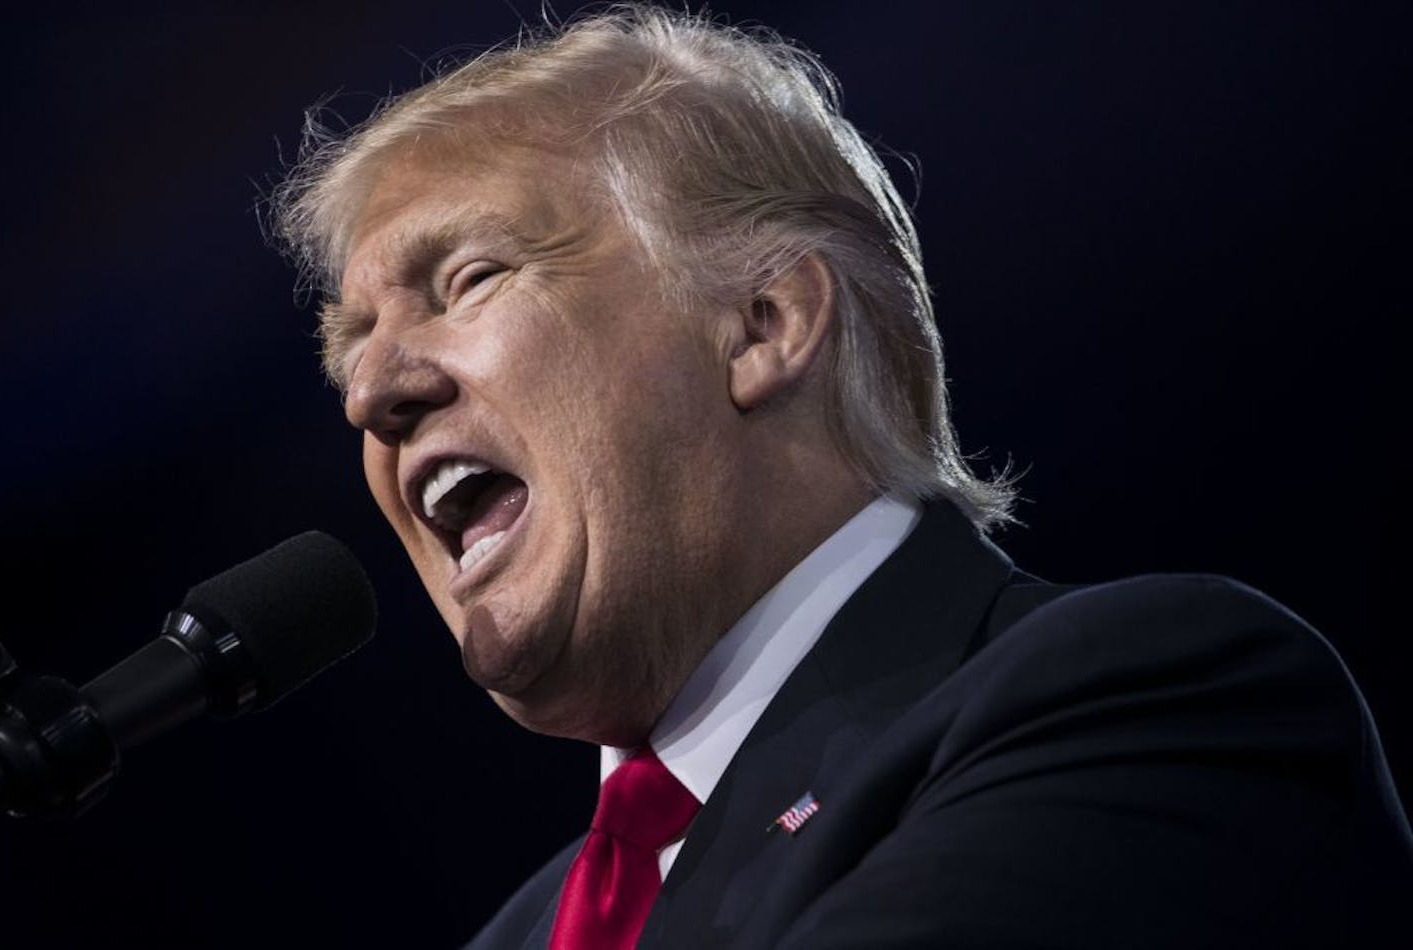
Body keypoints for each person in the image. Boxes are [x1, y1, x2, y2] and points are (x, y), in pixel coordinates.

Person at [271, 5, 1412, 947]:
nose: (371, 393)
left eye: (468, 278)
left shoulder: (1145, 698)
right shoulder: (517, 933)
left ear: (762, 323)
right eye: (347, 350)